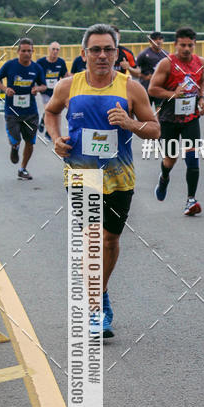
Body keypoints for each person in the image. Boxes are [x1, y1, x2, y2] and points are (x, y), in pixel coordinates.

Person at [45, 23, 160, 338]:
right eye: (95, 49)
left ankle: (102, 291)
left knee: (110, 241)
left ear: (117, 53)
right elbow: (51, 113)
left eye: (109, 49)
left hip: (120, 178)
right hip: (82, 174)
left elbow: (154, 129)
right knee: (93, 240)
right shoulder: (68, 86)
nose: (102, 55)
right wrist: (55, 138)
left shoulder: (131, 88)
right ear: (83, 54)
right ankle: (94, 307)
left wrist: (131, 123)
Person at [149, 27, 204, 216]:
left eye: (190, 45)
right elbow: (153, 89)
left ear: (194, 45)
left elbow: (203, 81)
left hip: (190, 117)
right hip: (168, 119)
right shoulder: (167, 64)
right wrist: (172, 94)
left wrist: (201, 100)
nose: (186, 49)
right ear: (175, 45)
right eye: (182, 45)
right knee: (170, 159)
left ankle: (191, 200)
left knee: (192, 157)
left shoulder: (201, 63)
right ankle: (164, 177)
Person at [0, 38, 46, 180]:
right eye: (23, 50)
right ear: (18, 51)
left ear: (33, 52)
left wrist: (37, 88)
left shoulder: (36, 68)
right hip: (12, 110)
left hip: (30, 112)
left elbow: (43, 85)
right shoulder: (10, 65)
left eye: (29, 51)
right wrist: (5, 89)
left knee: (30, 142)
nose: (26, 53)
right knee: (16, 139)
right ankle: (15, 147)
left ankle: (23, 169)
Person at [36, 41, 68, 138]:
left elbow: (65, 76)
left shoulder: (61, 62)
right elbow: (35, 75)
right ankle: (47, 129)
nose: (55, 51)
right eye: (53, 49)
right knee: (48, 109)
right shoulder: (41, 62)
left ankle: (45, 125)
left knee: (55, 111)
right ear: (49, 50)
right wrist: (37, 87)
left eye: (57, 49)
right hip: (45, 90)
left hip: (56, 91)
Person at [136, 31, 167, 102]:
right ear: (150, 41)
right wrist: (144, 77)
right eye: (155, 39)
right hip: (146, 87)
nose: (158, 41)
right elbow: (135, 69)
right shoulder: (144, 54)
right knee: (146, 110)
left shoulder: (166, 55)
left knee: (159, 109)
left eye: (160, 39)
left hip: (160, 88)